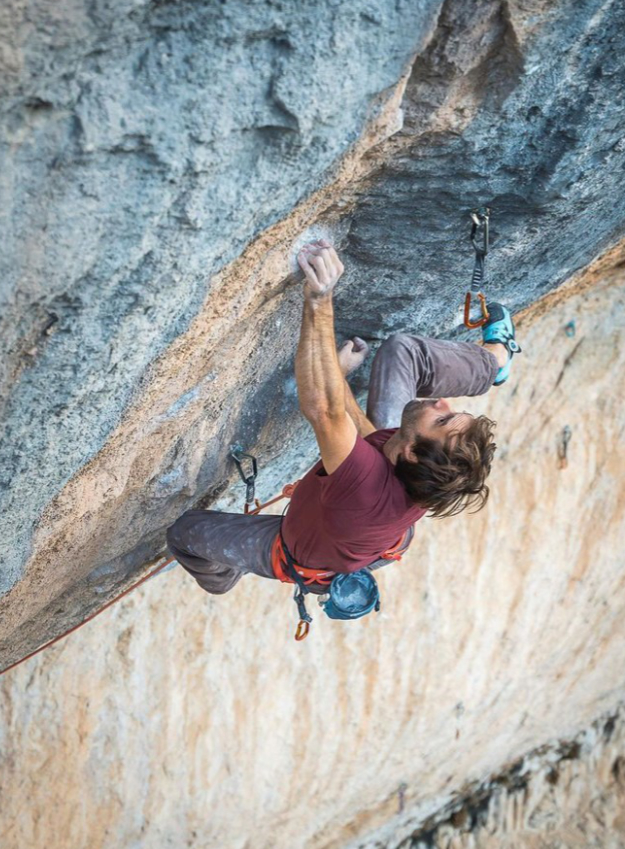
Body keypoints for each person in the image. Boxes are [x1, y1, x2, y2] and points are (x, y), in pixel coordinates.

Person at [165, 238, 521, 602]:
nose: (442, 403)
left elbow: (323, 408)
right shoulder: (413, 463)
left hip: (306, 555)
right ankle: (495, 361)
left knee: (185, 532)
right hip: (372, 525)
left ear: (413, 452)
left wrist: (319, 299)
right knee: (403, 352)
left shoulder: (366, 486)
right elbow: (366, 439)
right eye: (451, 414)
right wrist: (335, 375)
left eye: (441, 420)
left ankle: (223, 575)